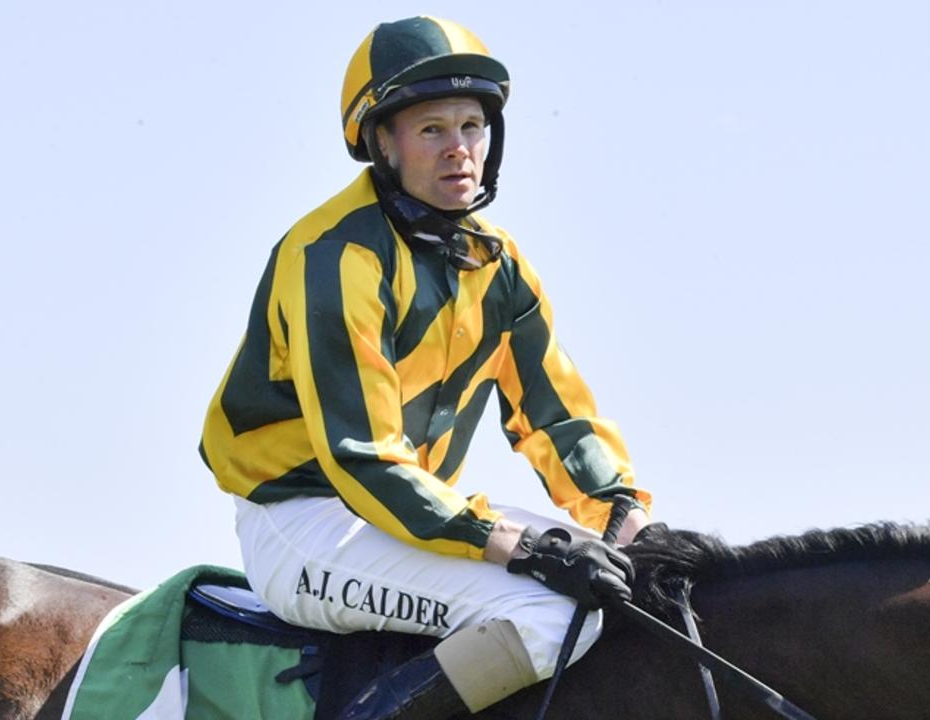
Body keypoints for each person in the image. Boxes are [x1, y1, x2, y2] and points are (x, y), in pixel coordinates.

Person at [200, 16, 652, 720]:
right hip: (307, 520)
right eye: (432, 130)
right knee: (554, 617)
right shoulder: (335, 256)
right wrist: (517, 547)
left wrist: (624, 518)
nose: (460, 150)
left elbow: (558, 416)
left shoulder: (498, 263)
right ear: (383, 143)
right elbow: (365, 458)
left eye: (472, 126)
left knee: (627, 594)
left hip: (408, 518)